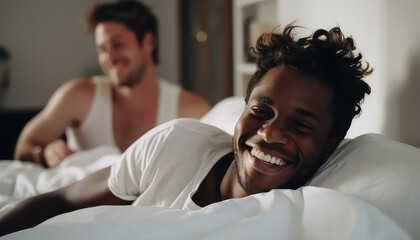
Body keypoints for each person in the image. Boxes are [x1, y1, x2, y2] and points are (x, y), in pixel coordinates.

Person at [0, 23, 372, 236]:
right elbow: (62, 201)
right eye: (261, 110)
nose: (271, 133)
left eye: (301, 124)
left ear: (328, 148)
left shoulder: (306, 219)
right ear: (243, 110)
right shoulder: (176, 144)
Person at [13, 0, 210, 168]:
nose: (108, 58)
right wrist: (45, 152)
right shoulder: (77, 96)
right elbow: (23, 147)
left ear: (148, 42)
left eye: (117, 45)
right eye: (102, 49)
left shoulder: (192, 109)